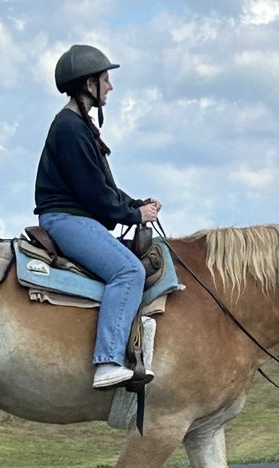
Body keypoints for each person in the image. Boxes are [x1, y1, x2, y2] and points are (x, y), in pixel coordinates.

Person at [34, 44, 162, 388]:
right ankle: (107, 362)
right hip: (65, 219)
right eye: (105, 79)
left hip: (77, 217)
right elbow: (95, 195)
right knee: (129, 271)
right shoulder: (70, 128)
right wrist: (134, 215)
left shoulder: (79, 126)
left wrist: (136, 205)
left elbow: (105, 188)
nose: (110, 86)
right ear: (89, 83)